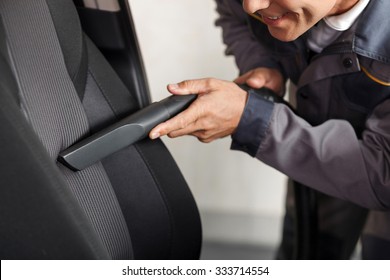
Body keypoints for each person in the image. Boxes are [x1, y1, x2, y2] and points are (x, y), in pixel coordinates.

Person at [149, 0, 390, 259]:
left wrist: (250, 119)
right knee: (306, 249)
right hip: (314, 157)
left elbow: (383, 174)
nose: (252, 5)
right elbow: (233, 14)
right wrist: (261, 64)